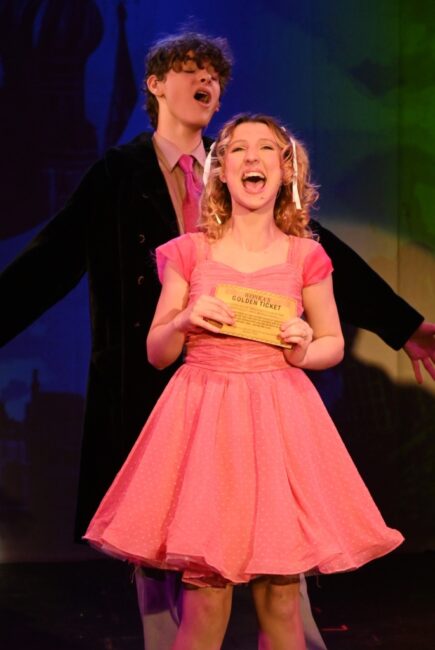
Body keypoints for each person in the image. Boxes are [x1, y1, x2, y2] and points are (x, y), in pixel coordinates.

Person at [0, 30, 433, 650]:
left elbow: (322, 262)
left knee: (279, 567)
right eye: (189, 68)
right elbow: (48, 263)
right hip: (157, 387)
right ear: (155, 84)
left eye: (214, 74)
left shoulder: (242, 177)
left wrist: (404, 326)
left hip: (259, 390)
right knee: (169, 557)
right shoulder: (119, 175)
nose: (206, 81)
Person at [84, 113, 404, 650]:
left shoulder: (306, 255)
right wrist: (184, 320)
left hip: (279, 423)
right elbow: (157, 352)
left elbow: (333, 344)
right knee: (206, 599)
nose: (252, 158)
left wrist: (305, 345)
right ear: (221, 171)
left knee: (281, 598)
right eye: (238, 150)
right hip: (205, 422)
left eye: (267, 149)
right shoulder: (191, 250)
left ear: (286, 171)